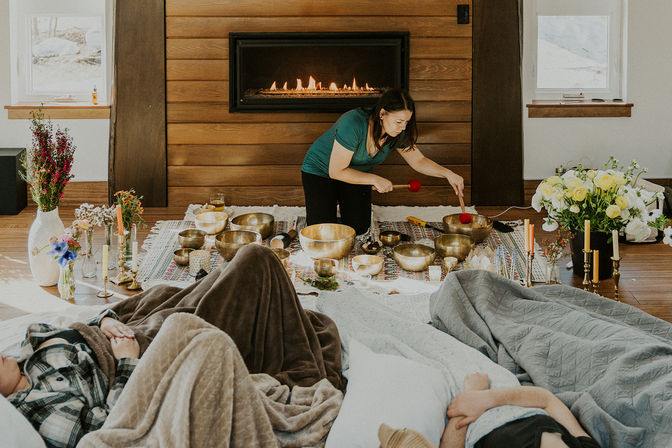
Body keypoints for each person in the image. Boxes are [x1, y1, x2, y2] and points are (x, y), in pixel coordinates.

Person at [1, 244, 345, 448]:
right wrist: (126, 362)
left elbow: (64, 325)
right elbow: (112, 426)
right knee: (254, 261)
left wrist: (103, 320)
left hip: (126, 327)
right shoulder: (38, 410)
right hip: (141, 358)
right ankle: (305, 369)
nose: (0, 355)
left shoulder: (19, 357)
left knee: (213, 281)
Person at [301, 88, 465, 235]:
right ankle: (325, 215)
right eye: (399, 122)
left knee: (359, 228)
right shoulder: (353, 123)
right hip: (321, 171)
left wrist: (447, 174)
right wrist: (374, 179)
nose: (403, 128)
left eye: (407, 122)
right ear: (382, 114)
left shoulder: (397, 132)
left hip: (356, 176)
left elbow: (419, 160)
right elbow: (336, 171)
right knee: (321, 232)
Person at [378, 373, 601, 448]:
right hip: (503, 392)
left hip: (464, 404)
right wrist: (487, 398)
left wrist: (470, 397)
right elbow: (546, 400)